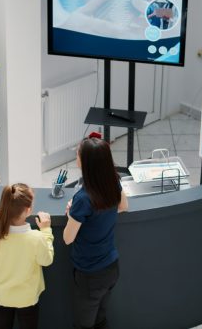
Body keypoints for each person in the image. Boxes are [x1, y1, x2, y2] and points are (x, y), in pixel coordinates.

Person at [63, 137, 128, 329]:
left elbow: (67, 238)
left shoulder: (83, 199)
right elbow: (123, 206)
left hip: (90, 274)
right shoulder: (113, 183)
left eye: (78, 153)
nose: (76, 155)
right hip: (111, 268)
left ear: (85, 162)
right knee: (100, 320)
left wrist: (72, 213)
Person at [0, 183, 54, 329]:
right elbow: (46, 260)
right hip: (26, 298)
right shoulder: (36, 238)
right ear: (28, 210)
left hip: (1, 295)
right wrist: (46, 230)